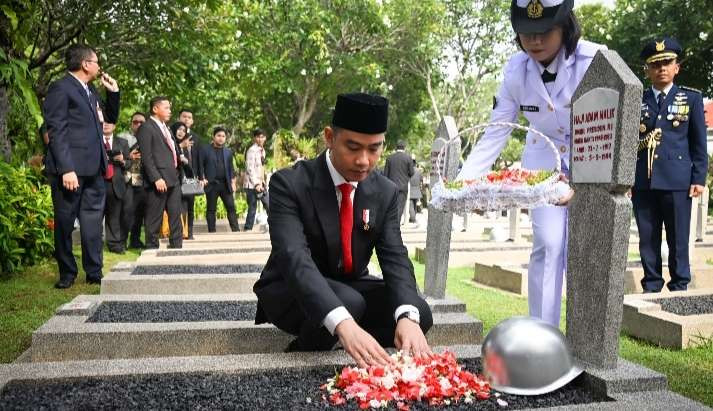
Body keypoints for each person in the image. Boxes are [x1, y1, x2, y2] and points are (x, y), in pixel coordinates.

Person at [254, 93, 433, 368]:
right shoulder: (289, 184)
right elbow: (294, 258)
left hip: (351, 285)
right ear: (329, 137)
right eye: (353, 147)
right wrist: (344, 323)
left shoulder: (385, 191)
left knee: (417, 311)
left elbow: (395, 256)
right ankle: (305, 347)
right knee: (349, 303)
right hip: (290, 288)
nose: (364, 160)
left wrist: (407, 317)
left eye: (374, 149)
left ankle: (357, 339)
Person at [455, 0, 603, 327]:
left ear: (565, 25)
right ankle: (544, 336)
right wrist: (464, 184)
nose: (534, 41)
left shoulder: (595, 60)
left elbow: (614, 122)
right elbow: (497, 131)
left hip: (593, 156)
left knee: (589, 251)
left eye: (544, 31)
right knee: (548, 245)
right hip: (542, 163)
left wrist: (581, 181)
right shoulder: (515, 70)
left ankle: (588, 335)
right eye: (526, 32)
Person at [633, 37, 707, 293]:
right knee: (647, 238)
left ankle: (679, 285)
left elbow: (698, 143)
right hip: (643, 180)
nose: (661, 68)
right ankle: (651, 285)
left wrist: (699, 178)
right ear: (647, 70)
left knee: (678, 238)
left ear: (677, 67)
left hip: (678, 181)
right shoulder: (636, 101)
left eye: (667, 63)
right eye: (655, 64)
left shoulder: (692, 99)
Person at [43, 43, 119, 289]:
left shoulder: (90, 91)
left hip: (94, 169)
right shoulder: (60, 88)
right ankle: (67, 272)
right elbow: (57, 132)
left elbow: (109, 120)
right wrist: (66, 168)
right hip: (71, 171)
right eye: (96, 61)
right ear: (86, 64)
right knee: (65, 223)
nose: (99, 66)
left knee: (92, 223)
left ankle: (94, 271)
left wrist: (113, 92)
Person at [137, 96, 183, 249]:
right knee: (154, 216)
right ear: (155, 109)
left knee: (175, 213)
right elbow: (147, 156)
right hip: (158, 180)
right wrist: (156, 178)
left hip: (174, 176)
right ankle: (151, 247)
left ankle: (176, 244)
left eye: (170, 108)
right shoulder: (146, 127)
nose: (170, 111)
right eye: (166, 108)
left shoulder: (166, 127)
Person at [100, 113, 131, 254]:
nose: (106, 124)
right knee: (96, 216)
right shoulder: (94, 140)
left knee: (114, 216)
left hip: (116, 183)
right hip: (97, 182)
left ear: (114, 126)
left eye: (109, 122)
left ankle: (114, 244)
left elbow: (130, 163)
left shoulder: (122, 142)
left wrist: (123, 160)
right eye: (103, 122)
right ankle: (94, 244)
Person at [200, 127, 240, 232]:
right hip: (211, 184)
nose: (221, 138)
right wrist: (202, 178)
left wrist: (233, 182)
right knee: (211, 209)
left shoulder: (228, 152)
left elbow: (231, 168)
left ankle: (236, 230)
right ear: (213, 137)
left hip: (225, 184)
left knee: (231, 207)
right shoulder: (205, 149)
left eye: (223, 136)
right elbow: (201, 166)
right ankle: (212, 231)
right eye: (218, 136)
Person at [172, 121, 200, 239]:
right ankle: (180, 233)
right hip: (175, 180)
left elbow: (194, 161)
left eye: (183, 130)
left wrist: (198, 177)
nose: (181, 132)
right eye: (179, 129)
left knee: (190, 206)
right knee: (179, 206)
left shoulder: (189, 143)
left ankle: (190, 232)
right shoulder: (171, 143)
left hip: (189, 179)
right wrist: (180, 147)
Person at [125, 112, 147, 249]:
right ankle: (121, 240)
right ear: (131, 124)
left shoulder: (151, 137)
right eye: (135, 122)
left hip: (146, 180)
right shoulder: (123, 138)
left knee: (140, 212)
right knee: (127, 211)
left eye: (141, 122)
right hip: (127, 179)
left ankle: (135, 239)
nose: (138, 124)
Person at [244, 128, 269, 231]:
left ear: (265, 138)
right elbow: (250, 169)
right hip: (251, 185)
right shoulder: (251, 150)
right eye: (258, 136)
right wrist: (256, 184)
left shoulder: (262, 151)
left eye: (262, 136)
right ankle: (247, 229)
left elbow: (261, 168)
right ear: (254, 138)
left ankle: (274, 226)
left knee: (268, 204)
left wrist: (263, 182)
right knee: (252, 209)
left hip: (261, 183)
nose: (260, 139)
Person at [383, 140, 414, 224]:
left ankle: (390, 224)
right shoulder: (408, 158)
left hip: (391, 187)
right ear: (404, 147)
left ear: (396, 147)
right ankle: (395, 225)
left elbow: (385, 174)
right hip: (403, 187)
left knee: (391, 207)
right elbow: (412, 172)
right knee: (400, 207)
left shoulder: (389, 158)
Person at [408, 158, 423, 223]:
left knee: (410, 205)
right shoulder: (419, 171)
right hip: (417, 190)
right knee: (414, 205)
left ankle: (413, 218)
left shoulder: (408, 171)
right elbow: (421, 180)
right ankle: (413, 218)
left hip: (410, 190)